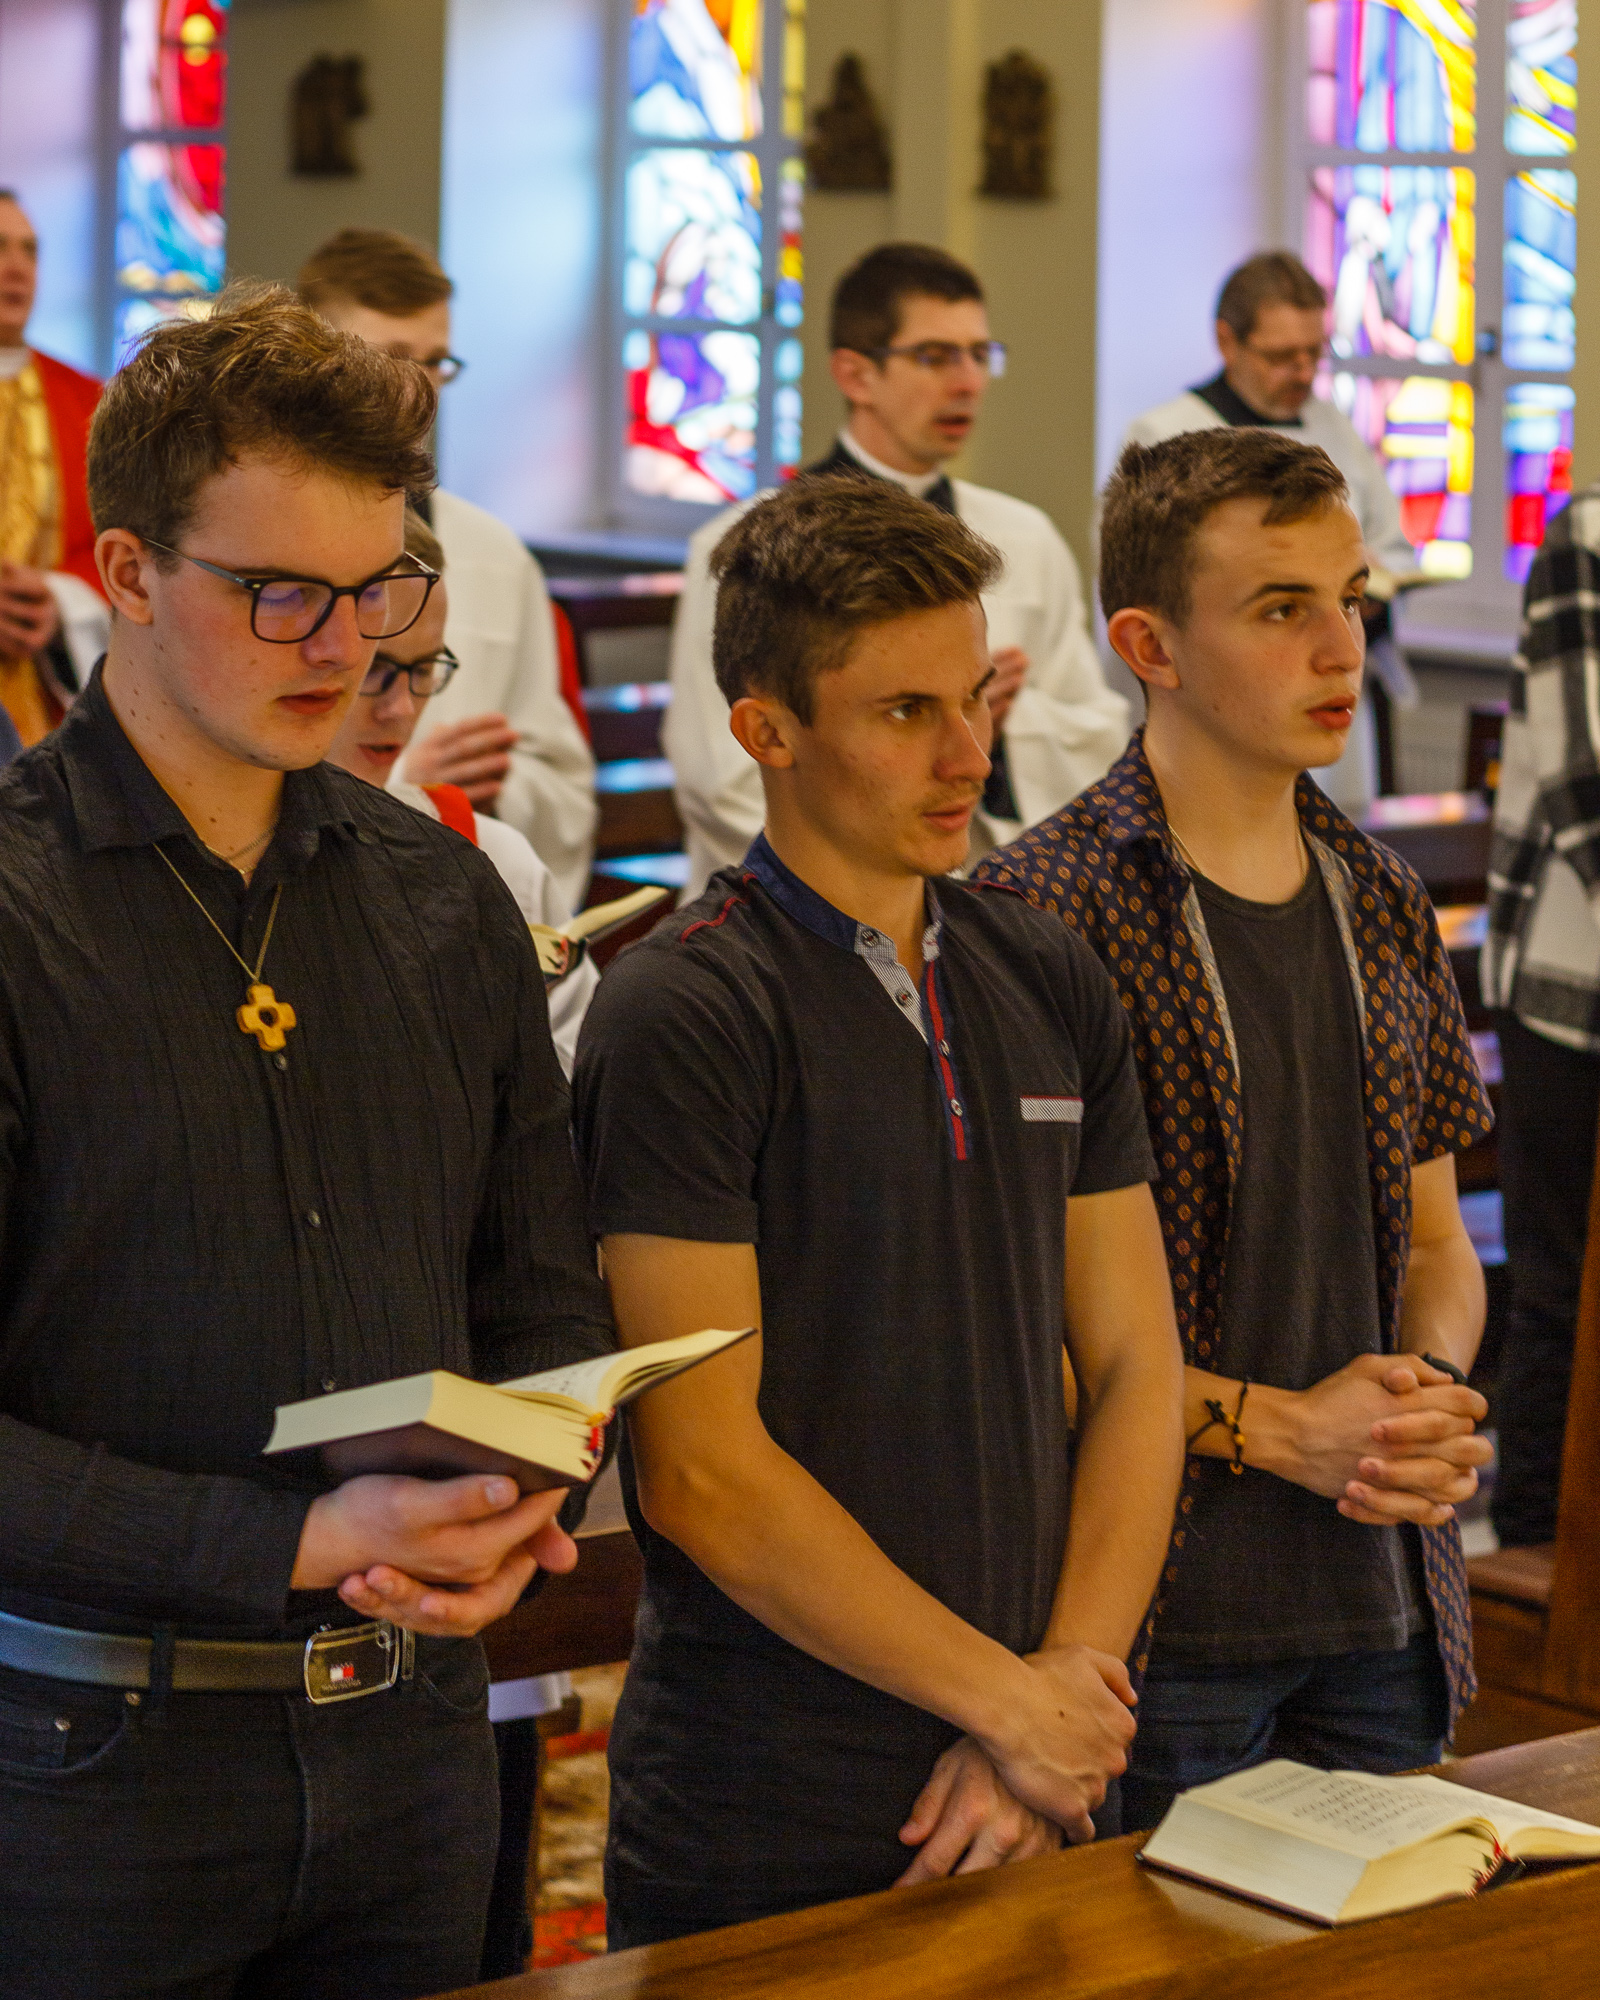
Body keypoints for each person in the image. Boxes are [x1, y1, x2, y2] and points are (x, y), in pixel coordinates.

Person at [0, 284, 614, 1999]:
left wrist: (521, 1490)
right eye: (279, 593)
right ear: (128, 575)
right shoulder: (17, 905)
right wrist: (288, 1545)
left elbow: (540, 1293)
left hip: (413, 1745)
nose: (343, 650)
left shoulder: (443, 897)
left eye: (381, 591)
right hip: (87, 1767)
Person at [572, 474, 1185, 1946]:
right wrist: (1010, 1707)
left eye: (974, 698)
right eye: (906, 712)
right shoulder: (687, 1008)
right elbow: (705, 1471)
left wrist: (1064, 1685)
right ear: (765, 730)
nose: (969, 753)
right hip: (776, 1776)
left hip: (1039, 1752)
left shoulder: (1045, 974)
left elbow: (1135, 1368)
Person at [977, 428, 1494, 1832]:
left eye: (1352, 600)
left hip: (1381, 1600)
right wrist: (1286, 1430)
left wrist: (1424, 1398)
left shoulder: (1380, 894)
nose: (1342, 649)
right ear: (1149, 644)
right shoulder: (1038, 915)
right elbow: (1008, 1326)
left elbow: (1437, 1247)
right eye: (1281, 609)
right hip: (1158, 1622)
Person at [664, 241, 1130, 897]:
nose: (968, 383)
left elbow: (1096, 739)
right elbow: (720, 776)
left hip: (997, 898)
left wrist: (993, 726)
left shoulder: (1026, 538)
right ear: (855, 375)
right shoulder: (743, 549)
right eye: (935, 356)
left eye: (979, 354)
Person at [299, 227, 598, 908]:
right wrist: (409, 782)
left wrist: (496, 789)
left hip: (466, 892)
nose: (418, 391)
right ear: (314, 358)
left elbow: (563, 787)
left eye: (435, 363)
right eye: (390, 359)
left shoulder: (495, 555)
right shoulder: (265, 549)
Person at [1118, 250, 1418, 810]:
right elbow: (1143, 586)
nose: (1302, 373)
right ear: (1227, 341)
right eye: (1281, 356)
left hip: (1328, 687)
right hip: (1222, 712)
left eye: (1313, 353)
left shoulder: (1331, 426)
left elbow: (1390, 543)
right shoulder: (1167, 433)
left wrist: (1367, 587)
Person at [323, 506, 598, 1078]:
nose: (403, 709)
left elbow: (580, 1070)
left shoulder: (493, 860)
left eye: (425, 669)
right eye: (375, 669)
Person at [1482, 484, 1600, 1548]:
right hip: (1572, 985)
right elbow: (1580, 771)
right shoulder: (1589, 530)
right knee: (1561, 1297)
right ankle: (1530, 1567)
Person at [0, 187, 107, 744]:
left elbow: (122, 541)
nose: (17, 267)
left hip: (46, 706)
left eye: (31, 250)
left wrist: (56, 598)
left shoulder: (88, 402)